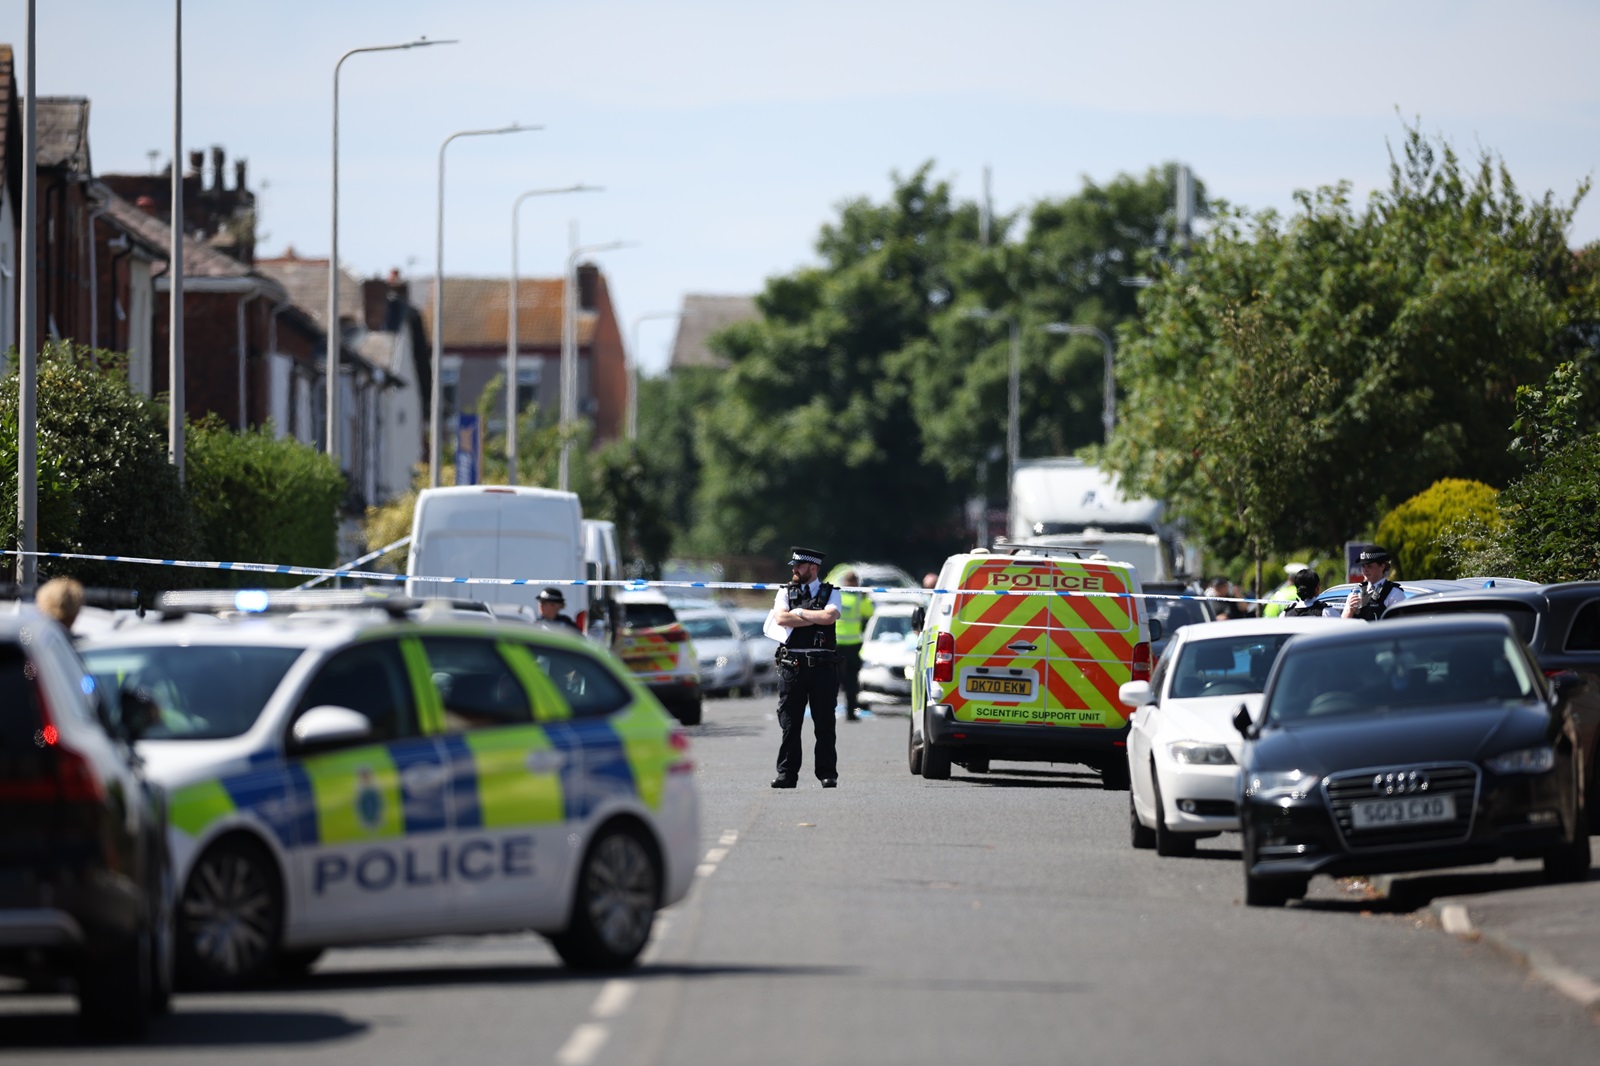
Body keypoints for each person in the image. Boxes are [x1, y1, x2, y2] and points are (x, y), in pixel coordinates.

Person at [763, 546, 842, 789]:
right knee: (790, 723)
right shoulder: (785, 591)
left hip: (822, 667)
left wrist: (797, 612)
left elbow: (830, 617)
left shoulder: (832, 592)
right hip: (792, 666)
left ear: (813, 568)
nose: (795, 570)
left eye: (800, 566)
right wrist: (810, 615)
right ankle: (787, 774)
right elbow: (781, 618)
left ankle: (827, 773)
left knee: (825, 723)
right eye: (794, 566)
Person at [833, 569, 874, 721]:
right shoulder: (859, 598)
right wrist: (865, 598)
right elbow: (869, 612)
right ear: (856, 583)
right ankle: (850, 712)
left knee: (833, 680)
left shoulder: (836, 595)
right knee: (851, 681)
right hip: (852, 644)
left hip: (836, 643)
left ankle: (827, 711)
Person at [1342, 547, 1404, 620]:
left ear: (1382, 566)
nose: (1365, 570)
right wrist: (1351, 610)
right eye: (1363, 566)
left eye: (1369, 566)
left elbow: (1401, 625)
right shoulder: (1356, 592)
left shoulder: (1394, 593)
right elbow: (1343, 623)